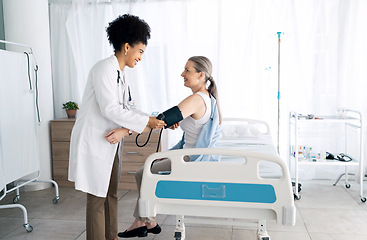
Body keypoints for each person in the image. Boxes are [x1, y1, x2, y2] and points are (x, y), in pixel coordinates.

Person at [68, 14, 166, 240]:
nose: (141, 57)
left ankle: (111, 236)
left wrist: (152, 119)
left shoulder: (120, 74)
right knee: (97, 197)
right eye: (140, 51)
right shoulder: (104, 69)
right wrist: (145, 123)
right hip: (94, 142)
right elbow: (110, 109)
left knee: (111, 194)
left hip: (110, 143)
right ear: (127, 46)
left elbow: (128, 108)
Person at [109, 56, 222, 238]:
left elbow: (161, 118)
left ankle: (143, 221)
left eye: (187, 70)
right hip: (188, 154)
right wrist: (173, 122)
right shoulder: (206, 97)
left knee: (142, 173)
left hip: (188, 159)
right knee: (146, 170)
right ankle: (149, 221)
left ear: (201, 75)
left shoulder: (196, 99)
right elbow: (174, 121)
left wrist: (125, 131)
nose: (182, 74)